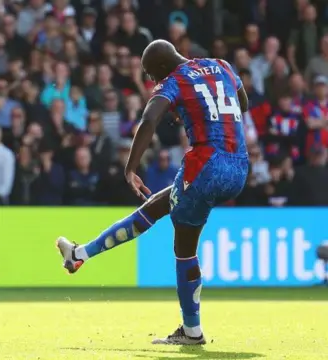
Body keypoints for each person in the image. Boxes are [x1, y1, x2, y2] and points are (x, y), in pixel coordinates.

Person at [55, 40, 250, 345]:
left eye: (151, 75)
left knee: (184, 248)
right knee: (160, 204)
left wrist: (130, 167)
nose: (153, 81)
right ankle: (79, 254)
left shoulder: (174, 81)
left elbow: (149, 118)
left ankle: (192, 331)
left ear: (161, 67)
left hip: (206, 166)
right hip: (239, 167)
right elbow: (243, 103)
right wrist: (195, 109)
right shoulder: (222, 65)